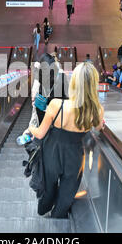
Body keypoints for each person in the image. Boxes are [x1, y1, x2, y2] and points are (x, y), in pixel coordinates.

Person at [28, 62, 104, 218]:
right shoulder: (97, 110)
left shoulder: (57, 104)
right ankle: (58, 215)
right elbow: (99, 127)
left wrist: (30, 128)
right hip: (75, 154)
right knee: (68, 189)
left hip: (52, 152)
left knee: (49, 185)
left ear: (74, 82)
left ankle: (44, 208)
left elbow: (40, 133)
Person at [32, 53, 69, 124]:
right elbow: (66, 96)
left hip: (42, 111)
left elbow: (35, 95)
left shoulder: (40, 77)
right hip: (58, 113)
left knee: (43, 131)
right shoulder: (61, 77)